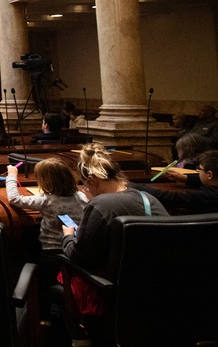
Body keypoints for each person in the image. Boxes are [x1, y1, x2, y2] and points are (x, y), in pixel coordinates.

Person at [61, 143, 168, 343]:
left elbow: (82, 256)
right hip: (161, 291)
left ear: (92, 179)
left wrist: (67, 236)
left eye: (84, 185)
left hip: (116, 294)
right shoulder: (149, 199)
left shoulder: (100, 204)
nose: (85, 191)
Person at [6, 157, 87, 310]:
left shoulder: (46, 200)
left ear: (46, 182)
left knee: (40, 286)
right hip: (73, 252)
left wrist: (11, 175)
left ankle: (42, 319)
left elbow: (14, 198)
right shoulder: (82, 197)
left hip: (50, 254)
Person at [135, 149, 218, 214]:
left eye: (199, 169)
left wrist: (135, 186)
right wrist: (185, 178)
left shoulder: (207, 196)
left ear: (209, 174)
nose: (198, 171)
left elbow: (168, 197)